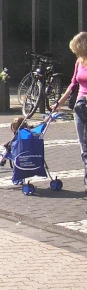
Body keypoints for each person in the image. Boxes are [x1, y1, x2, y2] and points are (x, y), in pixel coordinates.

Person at [53, 31, 87, 200]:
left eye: (76, 49)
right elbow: (73, 84)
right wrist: (59, 102)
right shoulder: (78, 62)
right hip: (80, 106)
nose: (75, 53)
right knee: (83, 146)